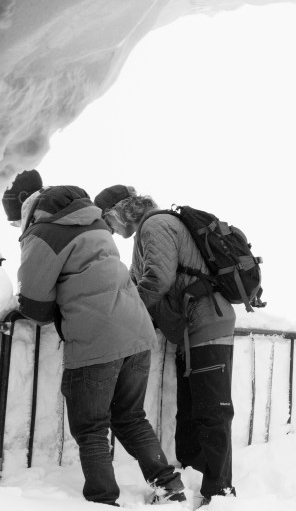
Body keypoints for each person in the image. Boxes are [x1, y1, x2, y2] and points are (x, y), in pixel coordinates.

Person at [15, 185, 186, 506]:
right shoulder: (96, 226)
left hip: (95, 340)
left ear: (34, 213)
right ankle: (169, 485)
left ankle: (102, 499)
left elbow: (33, 304)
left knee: (91, 427)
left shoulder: (43, 234)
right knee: (131, 417)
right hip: (137, 334)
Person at [95, 186, 236, 506]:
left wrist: (127, 313)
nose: (110, 230)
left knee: (212, 411)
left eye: (108, 219)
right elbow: (136, 282)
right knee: (190, 412)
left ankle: (221, 492)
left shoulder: (155, 225)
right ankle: (195, 479)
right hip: (189, 329)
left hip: (207, 323)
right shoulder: (148, 230)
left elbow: (156, 279)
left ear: (120, 211)